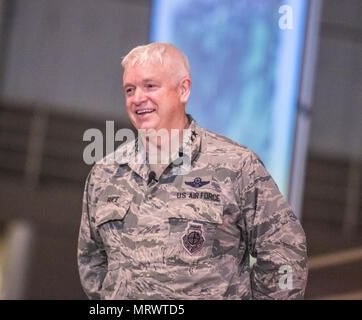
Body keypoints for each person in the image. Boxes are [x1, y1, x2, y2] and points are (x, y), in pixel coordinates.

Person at [77, 42, 308, 299]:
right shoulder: (105, 173)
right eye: (130, 89)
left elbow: (285, 252)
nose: (137, 98)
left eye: (150, 86)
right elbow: (92, 264)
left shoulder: (236, 166)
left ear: (183, 90)